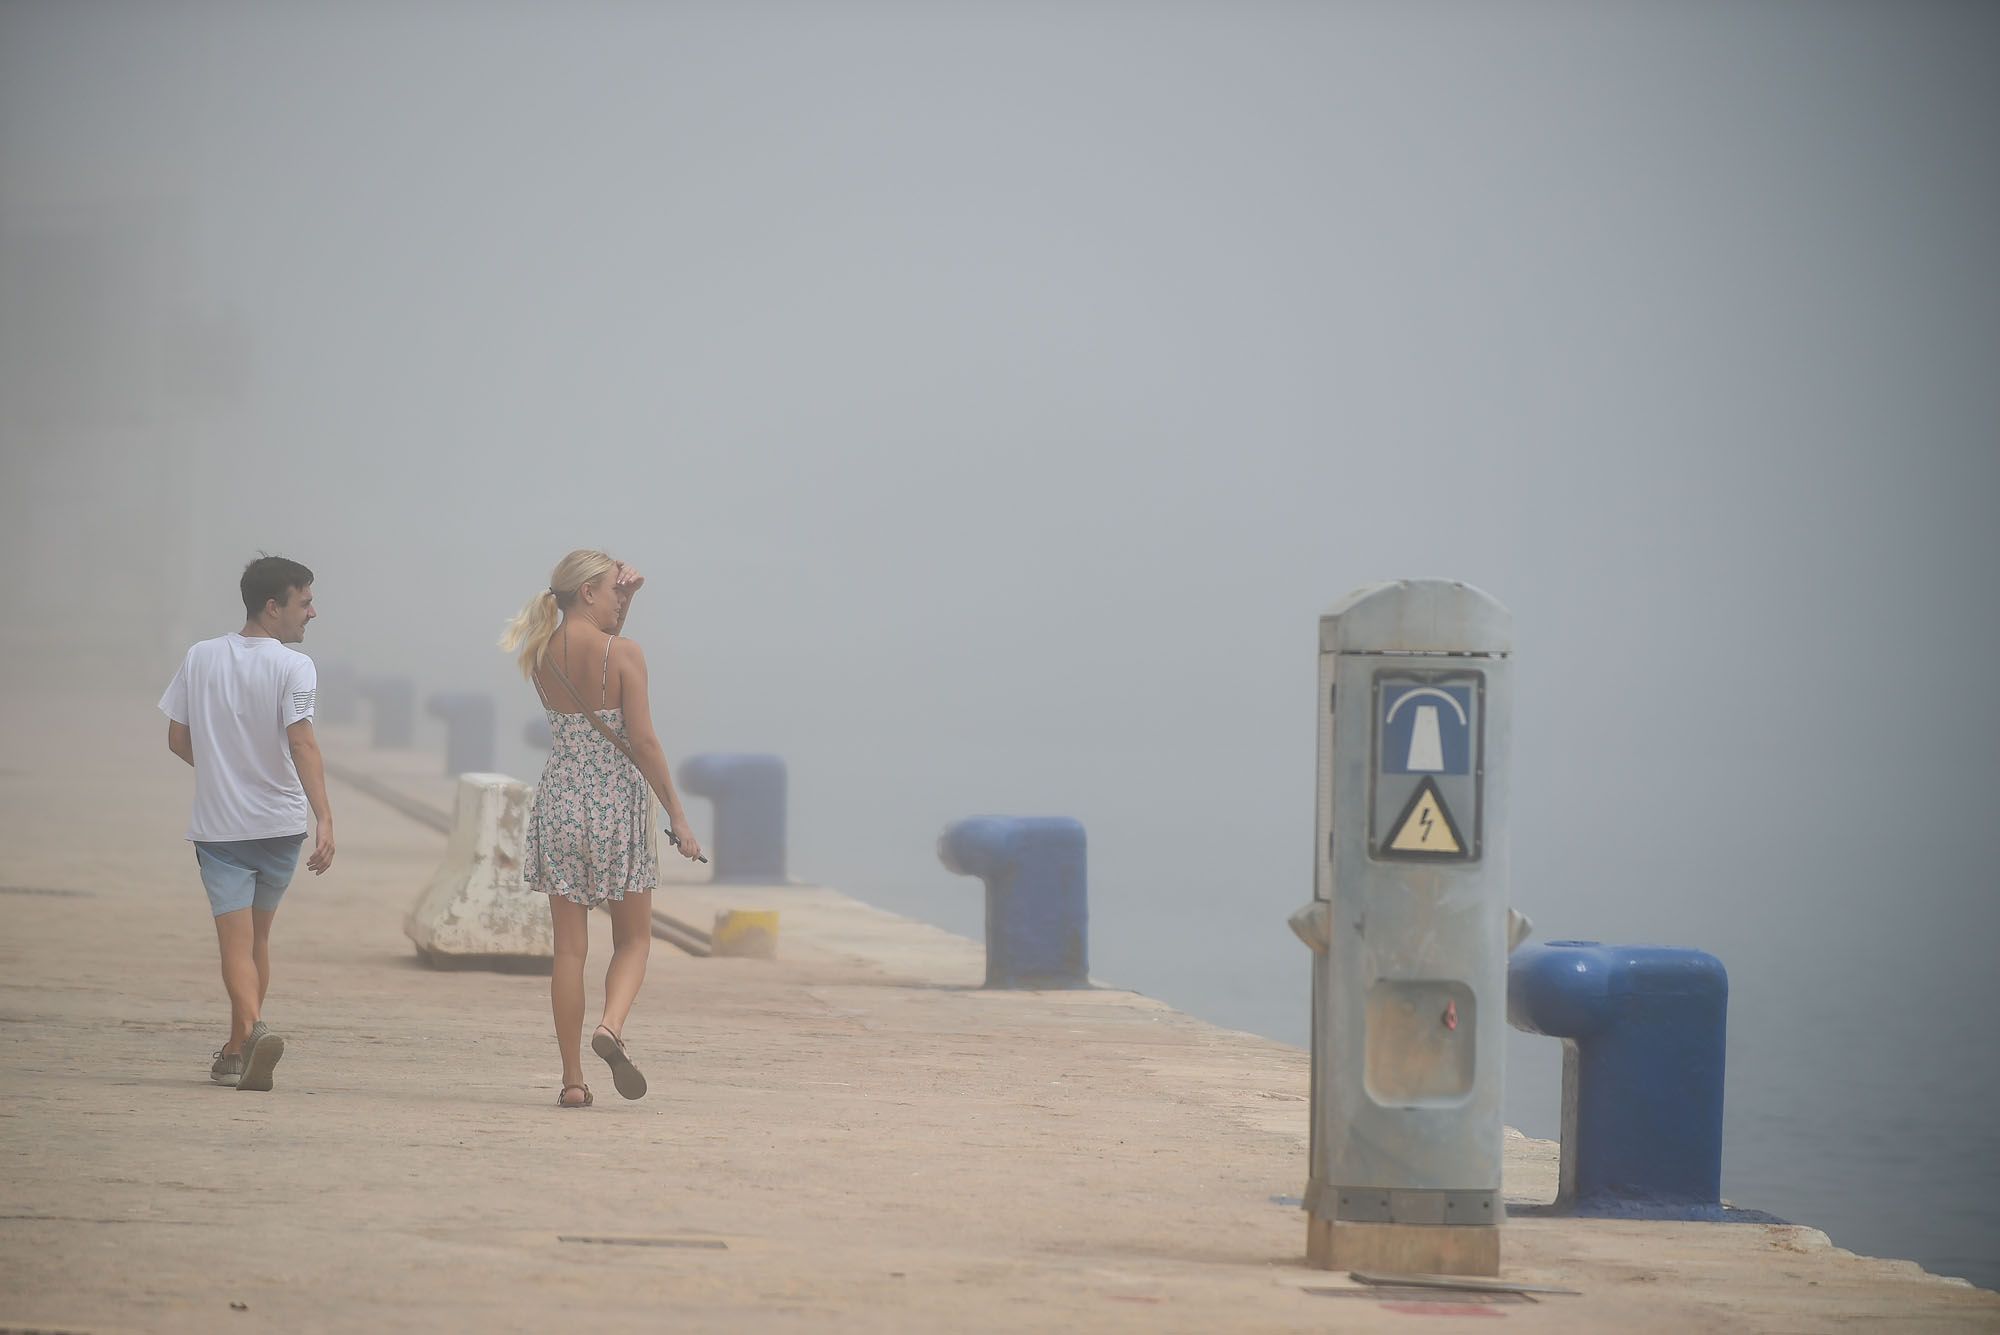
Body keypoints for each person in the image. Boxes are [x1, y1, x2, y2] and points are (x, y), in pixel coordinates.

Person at [500, 549, 703, 1109]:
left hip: (561, 800)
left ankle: (571, 1080)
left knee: (569, 951)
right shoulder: (627, 653)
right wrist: (679, 817)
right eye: (614, 589)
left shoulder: (540, 652)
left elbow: (595, 655)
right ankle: (611, 1027)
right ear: (588, 591)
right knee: (635, 939)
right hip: (617, 806)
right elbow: (642, 741)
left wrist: (627, 598)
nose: (621, 598)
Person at [160, 556, 335, 1092]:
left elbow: (177, 740)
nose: (313, 613)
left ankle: (253, 1032)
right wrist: (324, 815)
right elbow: (301, 741)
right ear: (272, 607)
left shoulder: (200, 657)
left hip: (220, 829)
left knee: (235, 946)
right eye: (304, 602)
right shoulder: (293, 667)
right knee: (259, 941)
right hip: (280, 824)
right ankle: (236, 1050)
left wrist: (222, 773)